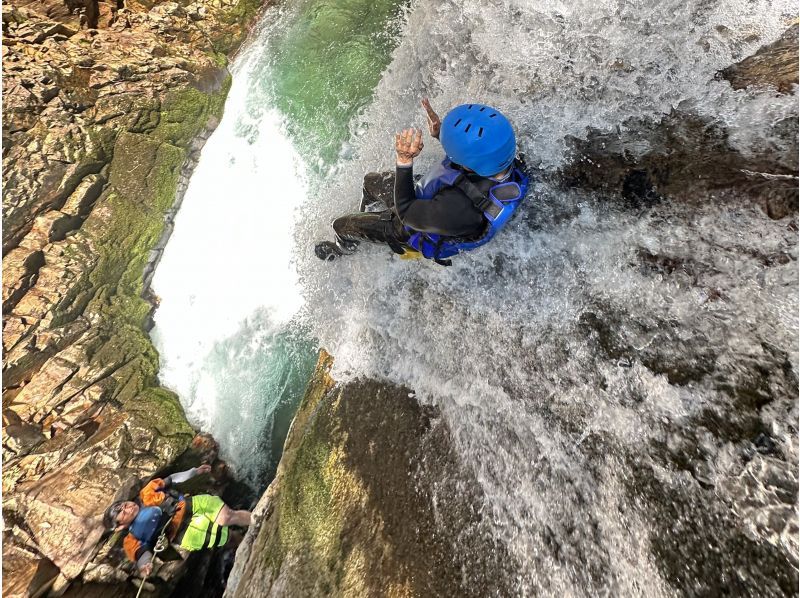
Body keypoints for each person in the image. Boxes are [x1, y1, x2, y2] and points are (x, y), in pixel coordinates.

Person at [315, 98, 530, 265]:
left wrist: (404, 161)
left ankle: (344, 248)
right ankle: (366, 219)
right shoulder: (507, 159)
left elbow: (406, 213)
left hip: (411, 226)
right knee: (370, 181)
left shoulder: (456, 210)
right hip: (441, 200)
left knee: (340, 225)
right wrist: (441, 135)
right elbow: (477, 154)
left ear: (468, 162)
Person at [103, 465, 252, 577]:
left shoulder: (146, 493)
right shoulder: (131, 540)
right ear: (120, 527)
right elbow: (142, 554)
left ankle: (254, 519)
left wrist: (195, 471)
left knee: (227, 517)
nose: (127, 508)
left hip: (190, 506)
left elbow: (172, 479)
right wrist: (145, 566)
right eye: (122, 512)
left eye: (124, 505)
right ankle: (249, 541)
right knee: (227, 538)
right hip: (184, 534)